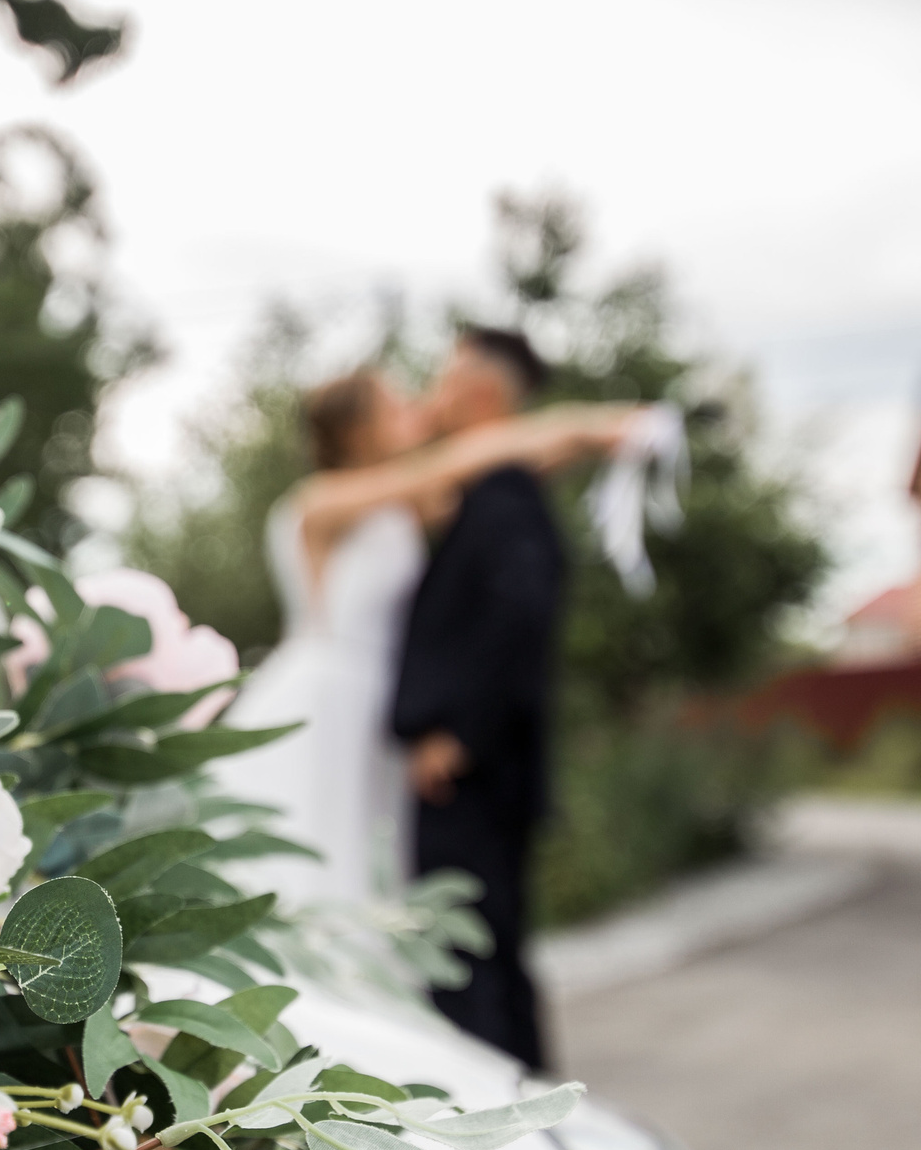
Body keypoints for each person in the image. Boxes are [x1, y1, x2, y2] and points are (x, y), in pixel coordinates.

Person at [219, 349, 631, 974]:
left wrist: (605, 441)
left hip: (374, 707)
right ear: (360, 429)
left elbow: (516, 462)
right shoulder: (324, 501)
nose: (417, 410)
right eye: (399, 403)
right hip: (322, 703)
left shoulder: (407, 503)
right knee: (318, 861)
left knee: (367, 867)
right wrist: (595, 424)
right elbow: (468, 458)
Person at [389, 326, 576, 1071]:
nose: (433, 392)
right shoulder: (476, 494)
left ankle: (511, 1130)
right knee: (481, 951)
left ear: (483, 394)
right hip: (474, 774)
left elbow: (520, 617)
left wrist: (457, 733)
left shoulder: (505, 496)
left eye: (445, 377)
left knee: (473, 955)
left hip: (476, 775)